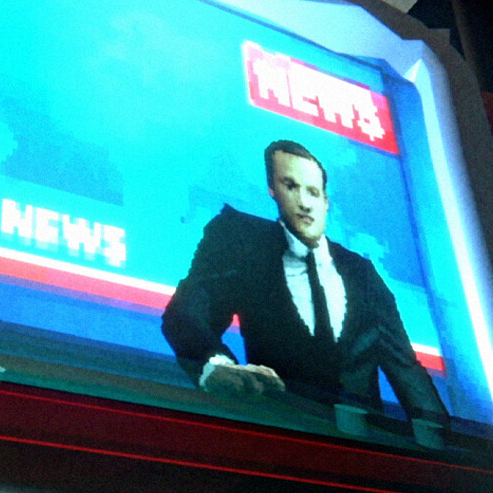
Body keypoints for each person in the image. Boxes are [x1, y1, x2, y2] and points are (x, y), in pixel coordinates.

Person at [161, 139, 449, 443]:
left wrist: (449, 449)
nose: (304, 202)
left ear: (326, 200)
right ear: (272, 189)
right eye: (291, 186)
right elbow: (186, 313)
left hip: (366, 453)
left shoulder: (362, 273)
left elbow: (406, 370)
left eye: (313, 191)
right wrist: (216, 367)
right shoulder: (243, 242)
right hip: (279, 442)